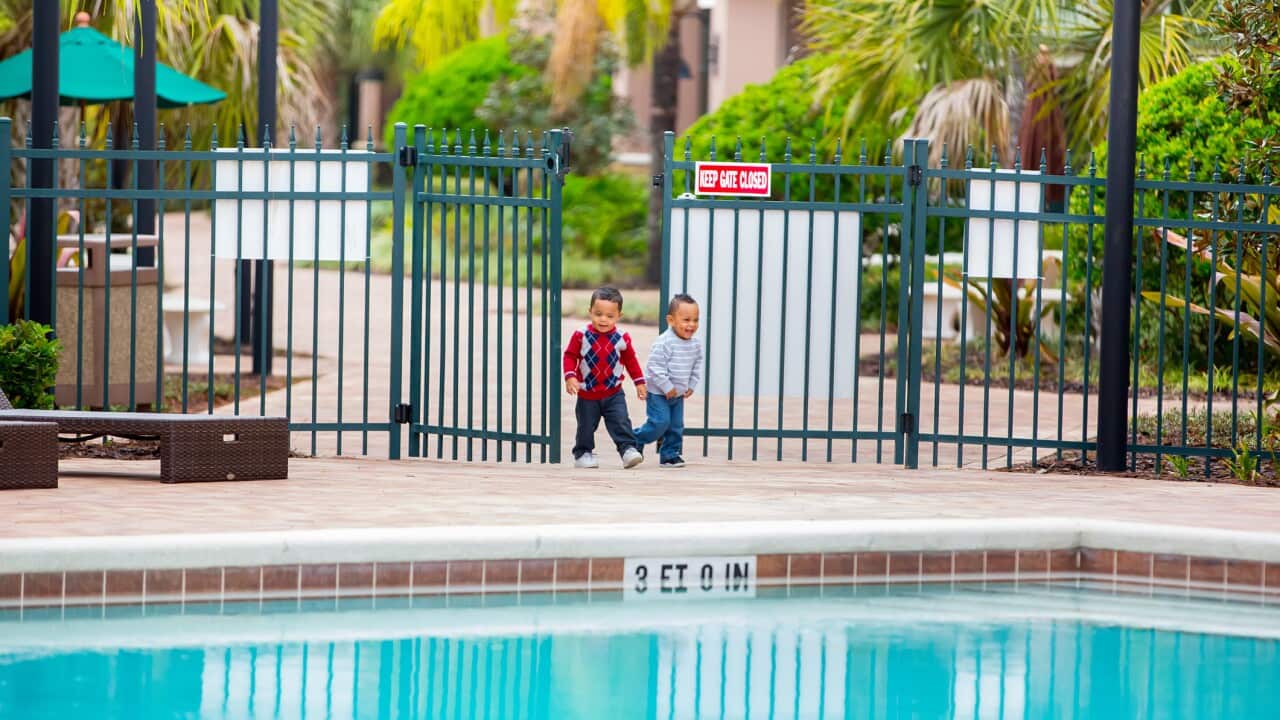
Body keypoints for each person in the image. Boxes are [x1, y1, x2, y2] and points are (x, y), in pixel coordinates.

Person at [563, 287, 647, 469]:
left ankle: (628, 450)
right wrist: (570, 376)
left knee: (621, 421)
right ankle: (583, 453)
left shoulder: (621, 337)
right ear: (590, 312)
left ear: (619, 316)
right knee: (585, 426)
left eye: (610, 316)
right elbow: (570, 356)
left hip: (613, 392)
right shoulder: (581, 335)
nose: (603, 319)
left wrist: (639, 382)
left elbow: (631, 360)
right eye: (598, 314)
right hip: (587, 393)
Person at [634, 294, 702, 468]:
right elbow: (654, 367)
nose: (691, 325)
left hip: (677, 395)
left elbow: (696, 366)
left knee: (676, 426)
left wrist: (691, 385)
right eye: (686, 320)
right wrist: (666, 386)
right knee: (660, 423)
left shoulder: (695, 344)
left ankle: (669, 455)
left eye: (695, 320)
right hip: (658, 394)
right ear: (671, 320)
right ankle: (636, 439)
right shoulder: (664, 342)